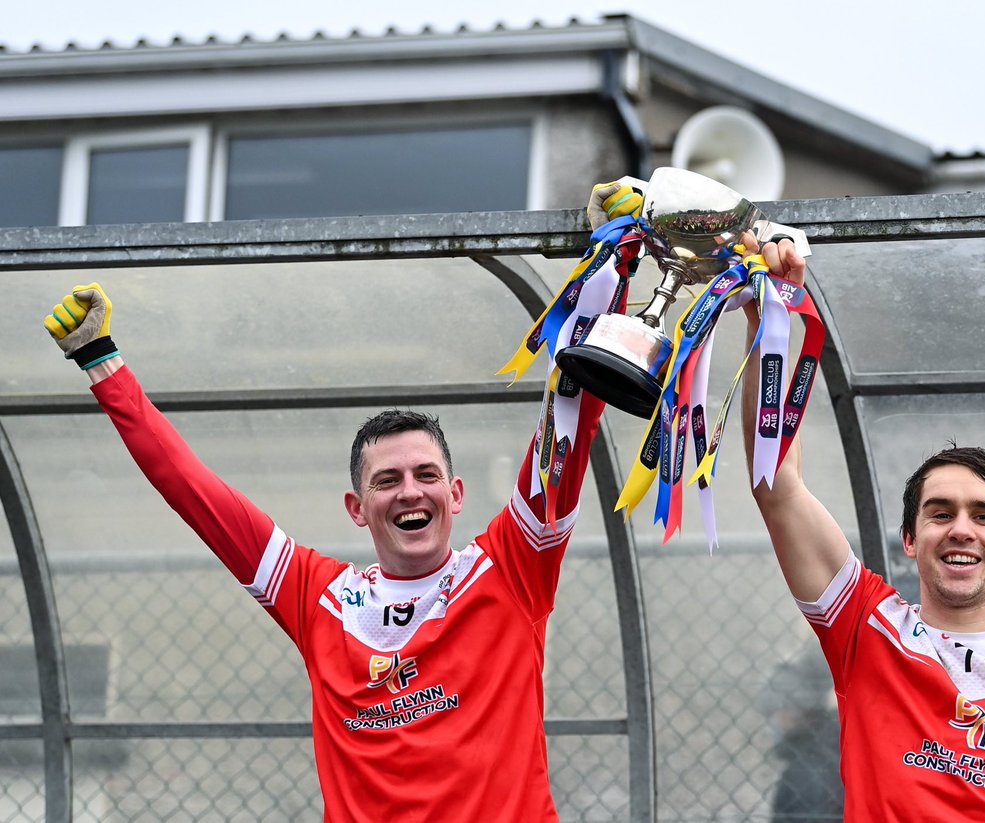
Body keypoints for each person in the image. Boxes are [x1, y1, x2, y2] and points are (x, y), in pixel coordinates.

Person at [41, 184, 642, 823]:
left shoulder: (512, 569)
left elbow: (570, 419)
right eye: (387, 481)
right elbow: (193, 490)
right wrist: (103, 364)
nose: (410, 491)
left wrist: (611, 266)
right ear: (357, 508)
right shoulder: (316, 596)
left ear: (456, 494)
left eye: (426, 475)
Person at [741, 237, 985, 823]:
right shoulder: (866, 630)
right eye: (940, 513)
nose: (961, 530)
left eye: (984, 516)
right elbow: (775, 486)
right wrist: (768, 312)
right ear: (910, 539)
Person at [759, 651, 844, 821]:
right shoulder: (835, 751)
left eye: (779, 710)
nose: (774, 720)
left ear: (801, 711)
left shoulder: (808, 771)